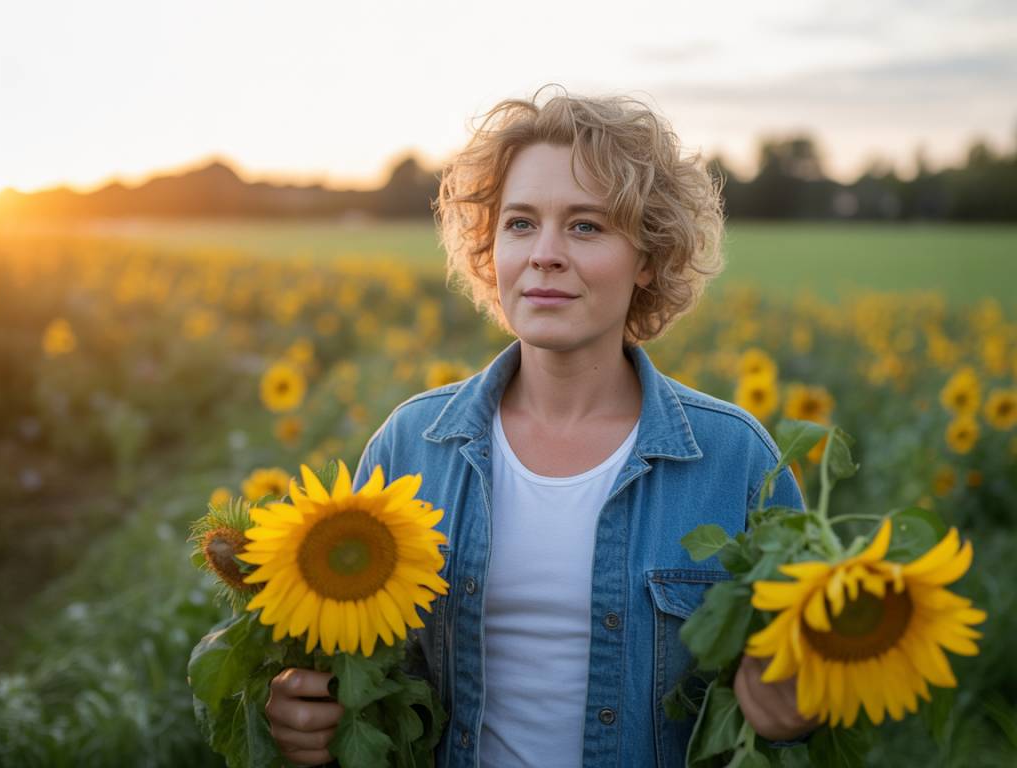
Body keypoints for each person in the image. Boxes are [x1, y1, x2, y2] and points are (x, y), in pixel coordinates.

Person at [264, 84, 814, 767]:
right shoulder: (413, 446)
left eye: (586, 225)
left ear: (648, 257)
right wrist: (296, 704)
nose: (544, 253)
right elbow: (344, 658)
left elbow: (812, 680)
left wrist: (800, 706)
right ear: (489, 248)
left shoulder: (735, 461)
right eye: (521, 223)